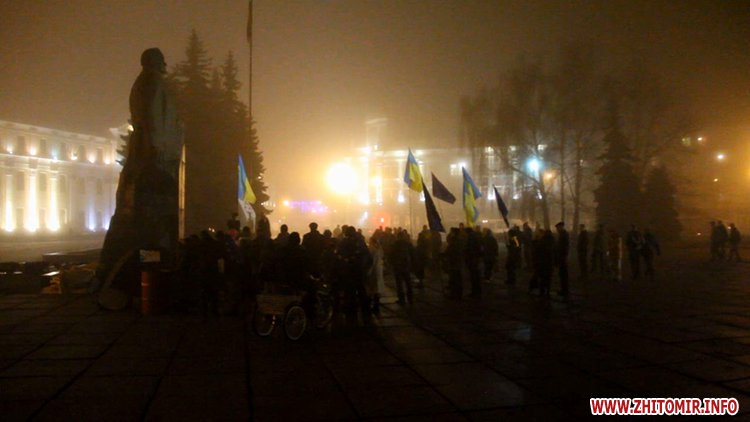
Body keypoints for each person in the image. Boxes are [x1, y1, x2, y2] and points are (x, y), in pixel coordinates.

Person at [390, 230, 414, 304]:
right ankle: (410, 298)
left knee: (399, 284)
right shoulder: (408, 244)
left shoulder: (395, 244)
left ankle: (402, 299)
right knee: (408, 283)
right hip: (406, 266)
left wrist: (392, 264)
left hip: (398, 266)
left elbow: (391, 255)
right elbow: (413, 254)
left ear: (398, 237)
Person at [443, 228, 463, 299]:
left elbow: (450, 251)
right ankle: (458, 293)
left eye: (451, 232)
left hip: (453, 262)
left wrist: (444, 254)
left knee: (454, 278)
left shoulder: (454, 241)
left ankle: (454, 294)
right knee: (457, 278)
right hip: (457, 262)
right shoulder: (459, 240)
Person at [465, 227, 483, 298]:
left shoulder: (471, 238)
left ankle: (475, 292)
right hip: (475, 258)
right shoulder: (475, 237)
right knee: (475, 275)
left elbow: (470, 249)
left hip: (472, 259)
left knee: (474, 276)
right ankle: (477, 291)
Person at [555, 222, 570, 297]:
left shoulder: (564, 235)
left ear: (561, 227)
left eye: (557, 228)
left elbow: (564, 247)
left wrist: (563, 255)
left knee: (563, 274)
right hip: (562, 257)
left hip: (562, 257)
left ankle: (565, 290)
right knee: (562, 274)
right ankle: (564, 290)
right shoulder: (563, 234)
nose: (557, 230)